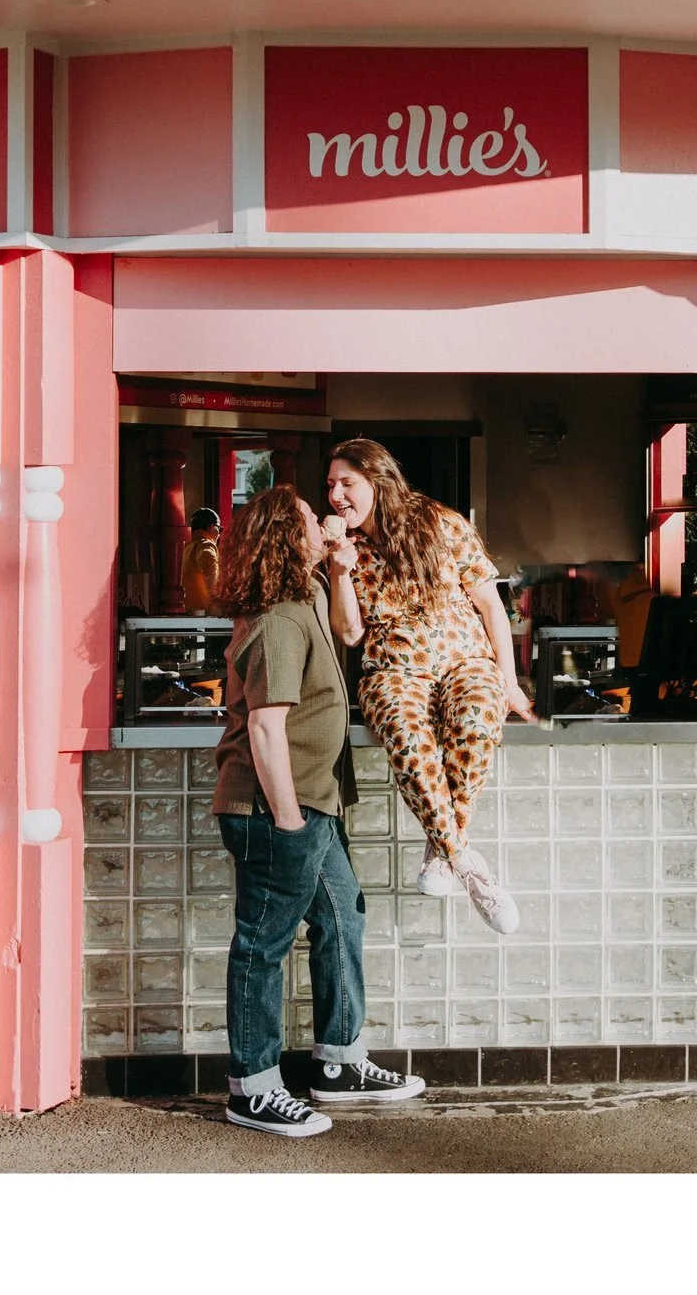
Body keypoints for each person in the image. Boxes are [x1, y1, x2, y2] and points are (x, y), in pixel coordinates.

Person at [212, 483, 426, 1136]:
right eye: (310, 518)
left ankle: (337, 1061)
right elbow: (266, 729)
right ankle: (252, 1088)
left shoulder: (303, 593)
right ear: (285, 536)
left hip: (315, 802)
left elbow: (347, 627)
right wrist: (286, 820)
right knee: (262, 945)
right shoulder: (275, 620)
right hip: (278, 806)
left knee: (343, 921)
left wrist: (338, 567)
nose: (323, 520)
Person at [324, 438, 535, 935]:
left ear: (377, 482)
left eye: (346, 483)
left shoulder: (441, 523)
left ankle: (442, 850)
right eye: (330, 484)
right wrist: (338, 571)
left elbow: (490, 606)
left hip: (466, 660)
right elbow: (351, 633)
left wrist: (508, 679)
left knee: (478, 717)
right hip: (392, 668)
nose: (335, 494)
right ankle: (470, 866)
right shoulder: (344, 547)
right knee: (405, 733)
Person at [181, 506, 222, 612]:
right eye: (219, 528)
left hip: (187, 609)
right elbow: (210, 569)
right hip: (203, 612)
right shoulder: (206, 544)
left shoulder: (186, 547)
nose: (219, 534)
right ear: (211, 528)